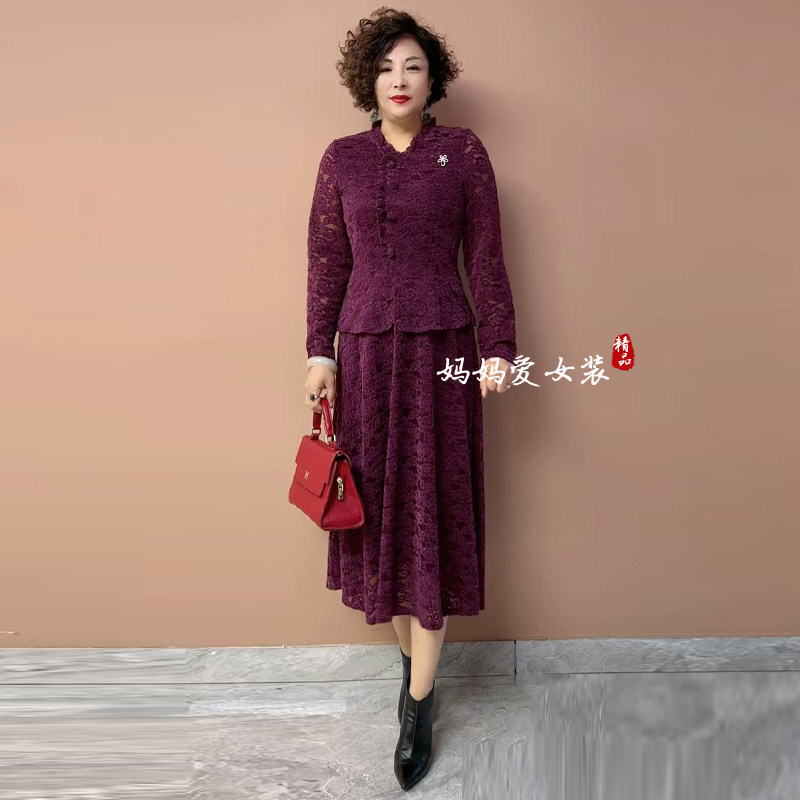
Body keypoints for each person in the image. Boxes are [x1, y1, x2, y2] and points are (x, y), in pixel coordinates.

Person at [302, 8, 517, 791]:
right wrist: (319, 353)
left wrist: (498, 349)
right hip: (364, 356)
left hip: (442, 352)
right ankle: (413, 670)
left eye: (414, 66)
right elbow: (327, 262)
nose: (400, 80)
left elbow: (485, 257)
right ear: (368, 78)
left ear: (434, 80)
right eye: (387, 66)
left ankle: (419, 705)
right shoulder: (342, 159)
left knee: (433, 509)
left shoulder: (463, 153)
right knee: (383, 515)